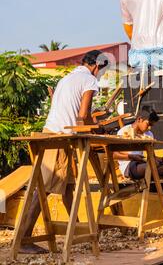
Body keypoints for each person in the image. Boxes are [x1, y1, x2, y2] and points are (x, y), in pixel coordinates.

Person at [20, 49, 109, 253]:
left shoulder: (67, 78)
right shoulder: (89, 80)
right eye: (101, 71)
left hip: (52, 132)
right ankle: (24, 238)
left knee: (69, 188)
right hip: (59, 136)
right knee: (44, 189)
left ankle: (77, 231)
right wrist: (98, 127)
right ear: (96, 66)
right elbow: (82, 116)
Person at [114, 107, 163, 180]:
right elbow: (114, 155)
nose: (149, 128)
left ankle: (151, 175)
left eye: (151, 125)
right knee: (153, 165)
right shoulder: (123, 131)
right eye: (148, 124)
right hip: (130, 166)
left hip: (144, 163)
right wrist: (131, 157)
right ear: (139, 119)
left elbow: (152, 157)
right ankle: (157, 175)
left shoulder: (149, 134)